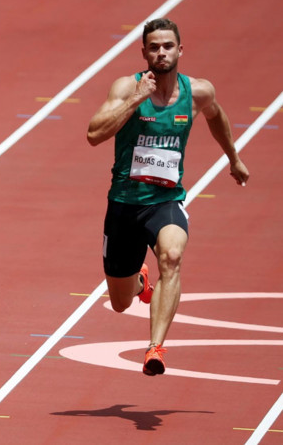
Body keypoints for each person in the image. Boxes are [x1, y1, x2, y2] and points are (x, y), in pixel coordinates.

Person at [87, 18, 248, 376]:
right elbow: (94, 133)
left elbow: (216, 115)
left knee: (172, 255)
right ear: (143, 52)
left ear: (180, 50)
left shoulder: (198, 92)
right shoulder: (126, 87)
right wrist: (134, 100)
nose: (161, 52)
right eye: (154, 47)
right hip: (124, 204)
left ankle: (155, 348)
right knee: (119, 303)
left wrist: (233, 159)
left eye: (168, 46)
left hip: (166, 201)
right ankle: (139, 281)